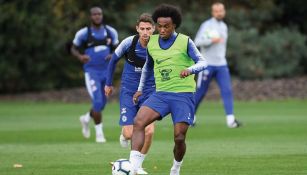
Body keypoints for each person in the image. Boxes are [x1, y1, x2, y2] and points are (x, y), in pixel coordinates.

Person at [129, 4, 207, 175]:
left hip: (183, 95)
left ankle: (175, 168)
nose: (161, 29)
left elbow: (203, 62)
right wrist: (140, 89)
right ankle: (132, 167)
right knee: (138, 122)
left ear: (174, 26)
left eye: (166, 26)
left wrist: (190, 70)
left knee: (179, 137)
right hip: (161, 94)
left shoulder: (185, 41)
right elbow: (148, 67)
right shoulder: (152, 42)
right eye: (159, 26)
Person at [104, 13, 156, 175]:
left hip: (149, 92)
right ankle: (123, 135)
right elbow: (113, 60)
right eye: (142, 29)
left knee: (149, 131)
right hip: (129, 91)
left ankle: (137, 166)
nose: (146, 32)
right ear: (137, 29)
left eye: (148, 29)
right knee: (129, 133)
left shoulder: (160, 45)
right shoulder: (129, 43)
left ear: (153, 29)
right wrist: (108, 83)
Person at [71, 7, 119, 143]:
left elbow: (118, 47)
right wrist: (80, 56)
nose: (97, 16)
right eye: (94, 14)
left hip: (107, 71)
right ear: (90, 16)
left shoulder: (110, 32)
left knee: (102, 103)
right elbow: (73, 48)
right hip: (92, 72)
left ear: (102, 15)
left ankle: (86, 118)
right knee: (97, 101)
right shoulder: (84, 33)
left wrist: (113, 55)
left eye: (99, 14)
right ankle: (99, 134)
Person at [194, 2, 241, 128]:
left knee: (227, 90)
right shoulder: (207, 25)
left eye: (221, 10)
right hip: (207, 64)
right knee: (200, 92)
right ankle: (189, 117)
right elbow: (197, 41)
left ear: (224, 11)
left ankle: (230, 120)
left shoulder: (224, 26)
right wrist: (210, 41)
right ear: (212, 12)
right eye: (216, 11)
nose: (219, 13)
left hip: (221, 64)